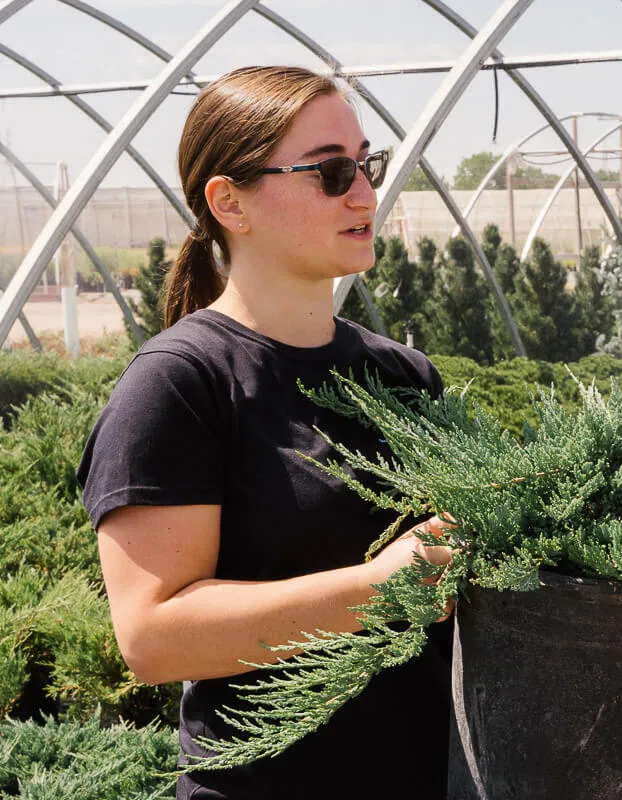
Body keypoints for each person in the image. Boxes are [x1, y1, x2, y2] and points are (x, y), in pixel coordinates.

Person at [77, 66, 454, 799]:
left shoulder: (406, 377)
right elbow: (153, 637)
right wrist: (380, 589)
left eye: (365, 164)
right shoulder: (182, 383)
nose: (364, 193)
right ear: (230, 202)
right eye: (331, 171)